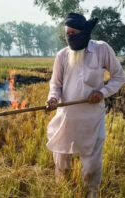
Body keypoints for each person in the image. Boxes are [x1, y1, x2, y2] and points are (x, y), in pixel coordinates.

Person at [46, 13, 125, 198]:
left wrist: (102, 92)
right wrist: (52, 98)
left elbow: (119, 76)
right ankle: (63, 192)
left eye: (74, 32)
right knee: (61, 161)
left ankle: (91, 193)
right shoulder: (62, 55)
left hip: (92, 120)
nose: (70, 37)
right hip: (67, 118)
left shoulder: (101, 49)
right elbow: (55, 84)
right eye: (67, 33)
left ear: (84, 33)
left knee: (91, 165)